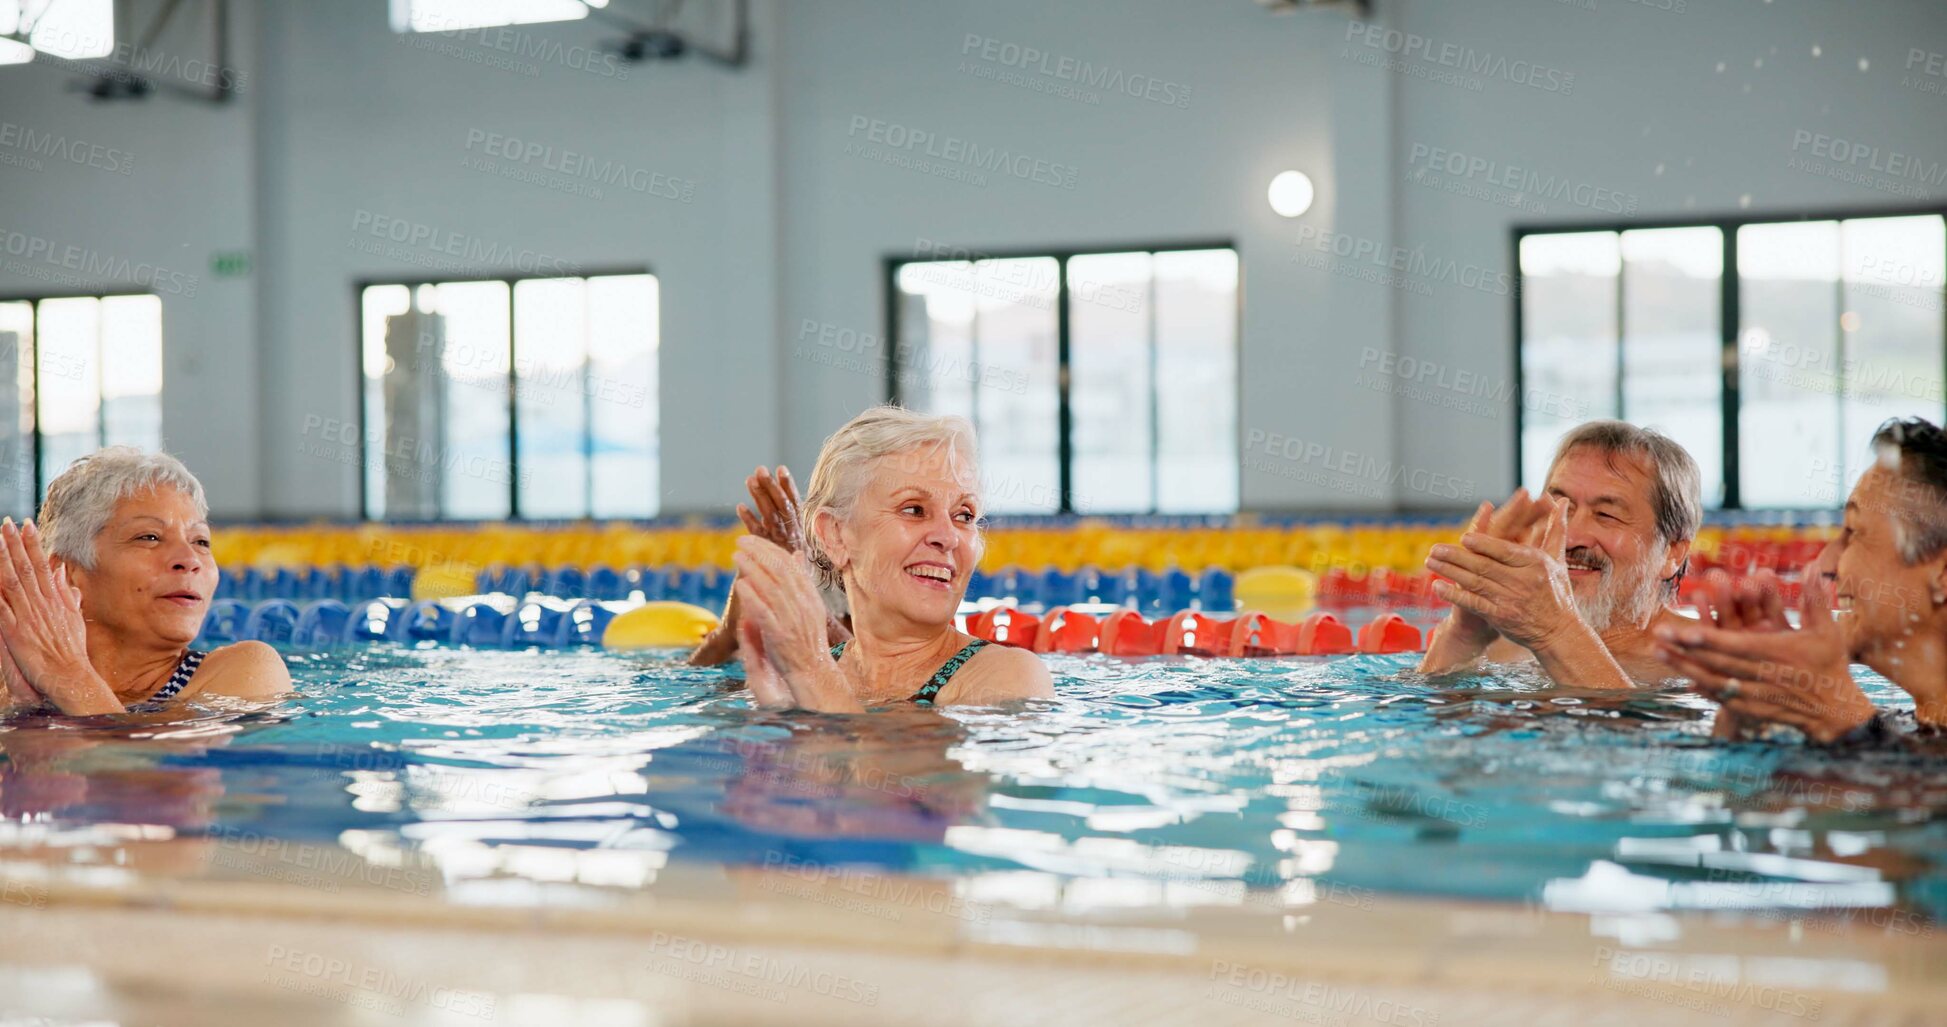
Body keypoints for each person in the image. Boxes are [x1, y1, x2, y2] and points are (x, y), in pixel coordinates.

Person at [729, 406, 1054, 711]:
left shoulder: (1008, 677)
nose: (948, 536)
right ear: (836, 536)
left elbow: (895, 770)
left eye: (964, 515)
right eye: (914, 510)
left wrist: (811, 673)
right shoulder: (797, 676)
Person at [1656, 417, 1947, 743]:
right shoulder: (1907, 730)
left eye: (1855, 532)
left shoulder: (1883, 736)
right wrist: (1752, 714)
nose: (1824, 564)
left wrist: (1843, 719)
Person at [0, 448, 290, 716]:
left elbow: (143, 768)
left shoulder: (245, 671)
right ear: (65, 574)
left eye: (201, 541)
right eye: (149, 537)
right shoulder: (11, 687)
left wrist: (67, 677)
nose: (190, 559)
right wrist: (24, 709)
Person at [1420, 420, 1702, 688]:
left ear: (1672, 553)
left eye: (1605, 515)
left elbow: (1636, 735)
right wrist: (1464, 633)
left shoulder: (1710, 660)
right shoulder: (1503, 648)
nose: (1571, 535)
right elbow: (1434, 730)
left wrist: (1555, 633)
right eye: (1560, 508)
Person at [689, 465, 850, 666]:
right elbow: (692, 682)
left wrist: (811, 609)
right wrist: (729, 633)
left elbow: (867, 672)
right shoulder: (825, 564)